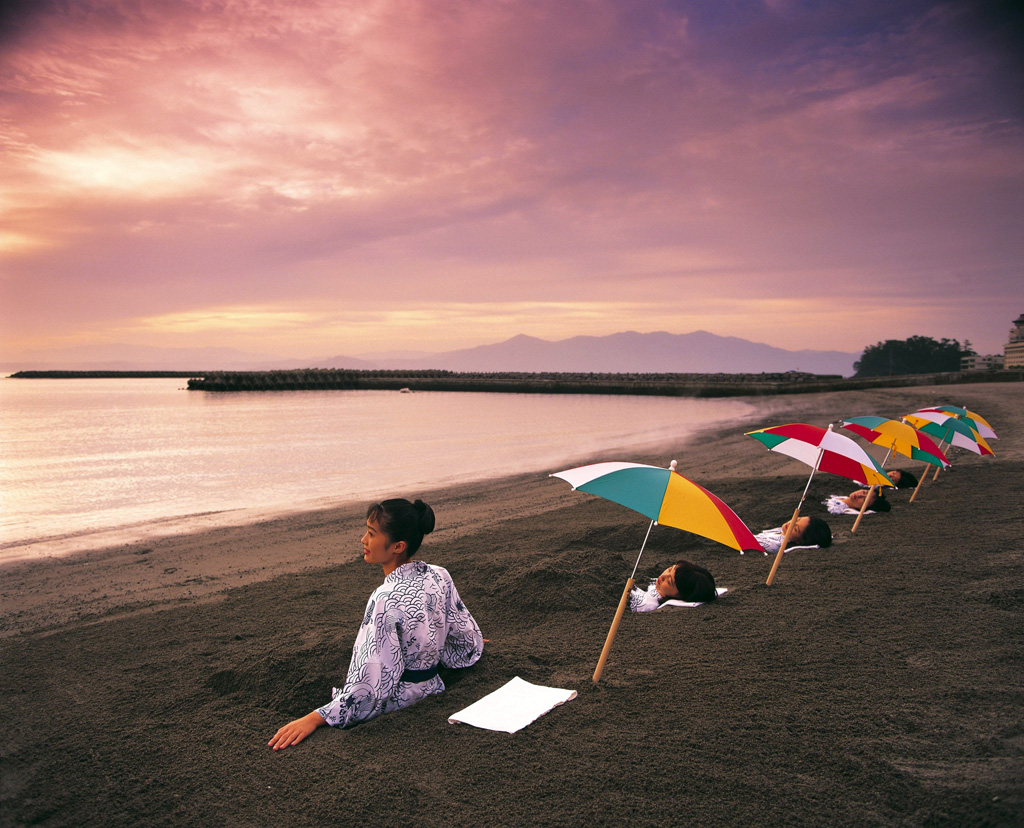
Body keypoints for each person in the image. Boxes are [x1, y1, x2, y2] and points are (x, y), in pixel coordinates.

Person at [268, 498, 483, 751]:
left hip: (404, 699)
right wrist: (462, 642)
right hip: (435, 685)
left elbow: (371, 684)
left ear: (398, 546)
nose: (363, 540)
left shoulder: (384, 598)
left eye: (371, 534)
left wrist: (316, 717)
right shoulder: (438, 574)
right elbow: (464, 635)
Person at [629, 559, 717, 612]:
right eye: (669, 569)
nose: (663, 576)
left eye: (669, 581)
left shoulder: (647, 605)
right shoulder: (659, 584)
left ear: (679, 596)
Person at [755, 516, 832, 555]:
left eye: (795, 529)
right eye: (797, 519)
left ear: (798, 541)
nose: (791, 524)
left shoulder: (775, 544)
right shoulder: (780, 530)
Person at [823, 487, 891, 515]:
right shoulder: (842, 497)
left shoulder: (836, 508)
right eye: (864, 492)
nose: (859, 495)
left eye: (864, 500)